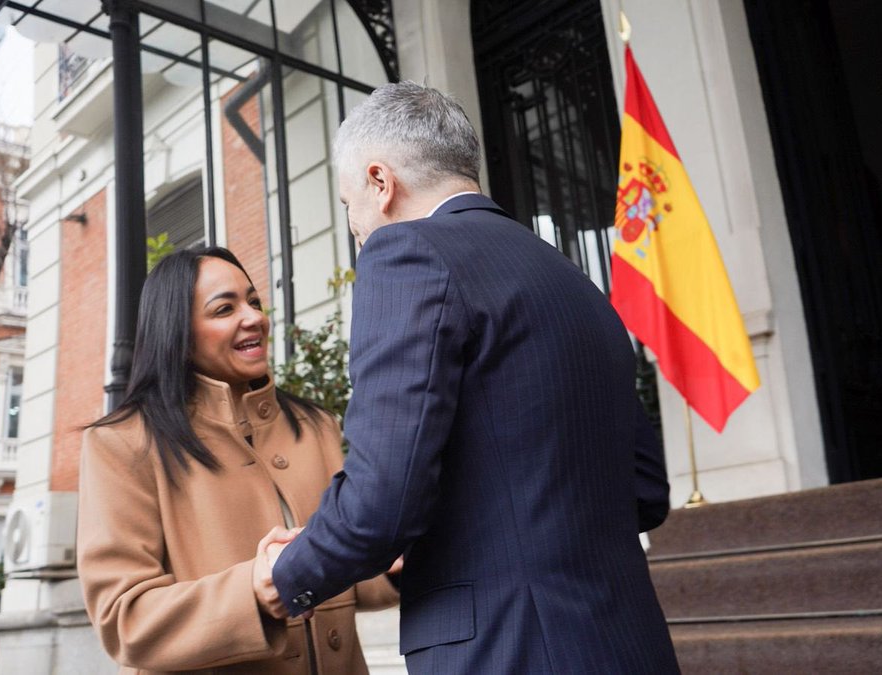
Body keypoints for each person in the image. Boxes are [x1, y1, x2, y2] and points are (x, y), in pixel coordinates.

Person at [264, 82, 680, 673]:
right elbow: (644, 490)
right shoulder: (574, 281)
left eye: (347, 204)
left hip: (511, 649)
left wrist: (289, 574)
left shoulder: (405, 253)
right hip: (626, 640)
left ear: (381, 183)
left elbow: (383, 499)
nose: (355, 227)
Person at [76, 247, 399, 674]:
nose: (254, 318)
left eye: (254, 302)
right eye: (224, 308)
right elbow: (125, 619)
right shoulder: (122, 443)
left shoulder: (314, 425)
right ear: (178, 332)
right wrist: (255, 590)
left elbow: (344, 579)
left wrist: (390, 565)